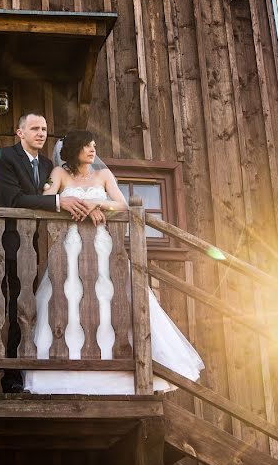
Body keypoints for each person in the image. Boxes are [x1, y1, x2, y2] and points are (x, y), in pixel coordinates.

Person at [23, 130, 204, 394]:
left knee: (110, 297)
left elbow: (122, 204)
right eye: (87, 146)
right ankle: (62, 371)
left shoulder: (103, 175)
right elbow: (49, 197)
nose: (92, 151)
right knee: (67, 299)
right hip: (70, 244)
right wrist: (72, 203)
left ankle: (116, 367)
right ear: (74, 149)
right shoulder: (60, 174)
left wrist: (97, 204)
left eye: (94, 146)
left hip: (101, 243)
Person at [0, 112, 91, 392]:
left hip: (29, 247)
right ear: (20, 133)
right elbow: (13, 198)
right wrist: (57, 202)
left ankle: (15, 378)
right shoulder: (3, 157)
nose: (41, 133)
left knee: (22, 310)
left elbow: (49, 196)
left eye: (44, 128)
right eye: (34, 129)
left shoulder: (47, 164)